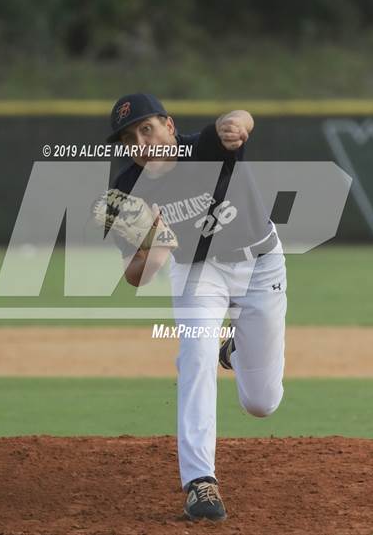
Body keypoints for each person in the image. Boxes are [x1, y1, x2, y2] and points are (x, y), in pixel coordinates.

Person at [104, 93, 287, 522]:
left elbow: (236, 120)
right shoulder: (125, 190)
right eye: (130, 138)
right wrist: (154, 242)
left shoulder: (201, 148)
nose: (142, 142)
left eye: (148, 128)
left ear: (169, 125)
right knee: (195, 356)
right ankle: (200, 482)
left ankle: (236, 352)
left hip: (260, 265)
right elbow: (137, 275)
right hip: (197, 273)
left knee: (262, 403)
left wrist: (239, 121)